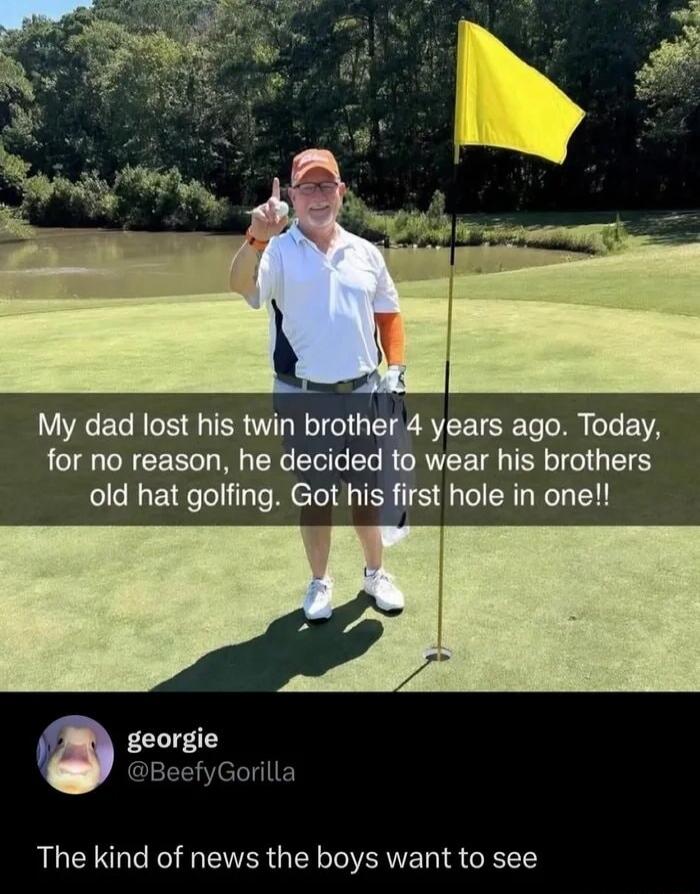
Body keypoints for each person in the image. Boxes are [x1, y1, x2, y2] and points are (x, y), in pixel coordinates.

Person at [229, 148, 407, 622]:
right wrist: (256, 239)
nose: (318, 196)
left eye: (327, 185)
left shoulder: (366, 253)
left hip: (365, 393)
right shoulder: (278, 251)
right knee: (317, 496)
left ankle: (375, 575)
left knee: (367, 495)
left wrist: (398, 368)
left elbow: (387, 314)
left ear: (342, 193)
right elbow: (240, 285)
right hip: (302, 397)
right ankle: (320, 582)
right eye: (307, 187)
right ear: (291, 195)